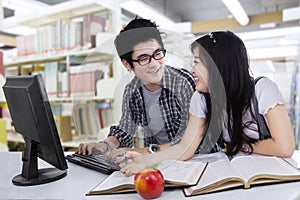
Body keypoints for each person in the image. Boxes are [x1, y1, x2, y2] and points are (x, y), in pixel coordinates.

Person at [117, 31, 295, 176]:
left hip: (276, 176)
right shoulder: (201, 98)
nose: (192, 70)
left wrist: (241, 146)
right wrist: (146, 161)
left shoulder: (262, 90)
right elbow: (185, 147)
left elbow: (284, 147)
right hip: (239, 172)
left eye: (197, 62)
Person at [76, 17, 195, 155]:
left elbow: (192, 140)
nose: (154, 64)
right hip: (161, 161)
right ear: (127, 64)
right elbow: (125, 130)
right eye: (143, 58)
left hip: (199, 161)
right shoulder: (132, 90)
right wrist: (103, 145)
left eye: (157, 53)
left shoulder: (184, 82)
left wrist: (142, 152)